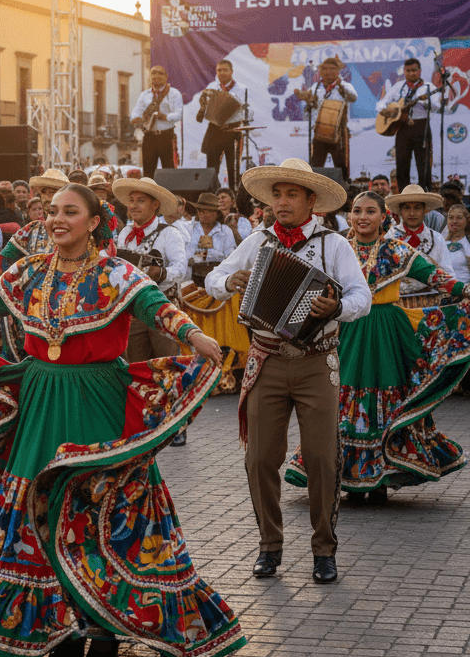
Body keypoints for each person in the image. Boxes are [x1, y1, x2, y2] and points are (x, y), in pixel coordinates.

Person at [0, 184, 242, 657]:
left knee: (105, 501)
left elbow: (157, 307)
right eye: (51, 212)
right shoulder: (29, 272)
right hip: (43, 400)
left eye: (69, 212)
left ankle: (107, 626)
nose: (56, 220)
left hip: (98, 402)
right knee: (36, 504)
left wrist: (195, 336)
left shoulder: (116, 273)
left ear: (93, 222)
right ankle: (58, 624)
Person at [204, 159, 372, 584]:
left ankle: (324, 549)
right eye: (276, 194)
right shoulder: (257, 240)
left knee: (321, 459)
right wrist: (230, 282)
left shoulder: (334, 244)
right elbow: (214, 277)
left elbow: (361, 297)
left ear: (311, 201)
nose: (281, 202)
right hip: (266, 359)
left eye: (291, 194)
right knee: (259, 458)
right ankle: (269, 546)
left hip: (318, 362)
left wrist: (337, 307)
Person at [284, 190, 470, 503]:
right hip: (346, 329)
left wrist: (464, 291)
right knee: (342, 397)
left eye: (371, 211)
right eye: (357, 211)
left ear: (384, 217)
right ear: (350, 216)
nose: (363, 217)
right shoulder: (337, 247)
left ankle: (381, 475)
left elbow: (436, 275)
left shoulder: (396, 250)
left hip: (388, 331)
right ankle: (347, 475)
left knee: (387, 397)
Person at [177, 193, 248, 414]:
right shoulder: (187, 228)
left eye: (210, 211)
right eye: (202, 211)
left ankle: (227, 370)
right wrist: (198, 256)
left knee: (228, 326)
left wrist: (211, 257)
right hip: (193, 284)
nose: (205, 214)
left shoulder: (225, 231)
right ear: (197, 212)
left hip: (217, 284)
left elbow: (230, 257)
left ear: (216, 213)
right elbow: (184, 255)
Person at [112, 176, 188, 362]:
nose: (134, 206)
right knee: (136, 367)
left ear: (155, 205)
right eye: (131, 201)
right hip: (134, 311)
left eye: (141, 201)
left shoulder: (169, 233)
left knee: (167, 366)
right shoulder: (124, 233)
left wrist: (160, 273)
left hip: (163, 309)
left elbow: (180, 269)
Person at [375, 58, 441, 190]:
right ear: (404, 72)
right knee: (402, 164)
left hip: (422, 127)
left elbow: (437, 106)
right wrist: (385, 110)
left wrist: (422, 102)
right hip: (403, 128)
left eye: (414, 70)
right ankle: (404, 195)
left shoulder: (428, 87)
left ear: (420, 71)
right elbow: (381, 102)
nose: (411, 73)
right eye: (408, 71)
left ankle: (425, 194)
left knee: (424, 165)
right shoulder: (399, 87)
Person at [0, 169, 69, 277]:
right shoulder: (31, 231)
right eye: (44, 191)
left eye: (53, 191)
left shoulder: (79, 230)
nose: (48, 196)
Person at [388, 184, 456, 307]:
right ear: (400, 211)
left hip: (429, 303)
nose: (412, 213)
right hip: (395, 305)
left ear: (425, 210)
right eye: (407, 208)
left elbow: (448, 274)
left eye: (417, 208)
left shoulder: (437, 238)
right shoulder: (389, 237)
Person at [294, 57, 357, 180]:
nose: (328, 72)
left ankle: (344, 190)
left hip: (339, 132)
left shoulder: (345, 85)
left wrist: (341, 87)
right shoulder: (316, 87)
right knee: (316, 165)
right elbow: (308, 97)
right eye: (325, 69)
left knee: (341, 165)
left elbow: (353, 97)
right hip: (320, 132)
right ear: (320, 72)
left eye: (332, 69)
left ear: (338, 71)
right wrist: (303, 96)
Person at [198, 59, 248, 188]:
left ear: (231, 71)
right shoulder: (211, 87)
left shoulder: (241, 88)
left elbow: (239, 107)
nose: (222, 73)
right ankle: (213, 196)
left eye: (225, 70)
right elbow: (206, 106)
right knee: (211, 167)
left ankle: (233, 198)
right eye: (219, 70)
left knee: (233, 167)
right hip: (214, 129)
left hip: (233, 129)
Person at [130, 66, 183, 178]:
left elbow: (179, 114)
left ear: (166, 77)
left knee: (169, 171)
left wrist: (165, 116)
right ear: (150, 76)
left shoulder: (174, 93)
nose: (156, 76)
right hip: (149, 136)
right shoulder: (144, 95)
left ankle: (171, 195)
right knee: (148, 172)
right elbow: (135, 112)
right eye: (154, 73)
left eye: (160, 73)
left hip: (166, 136)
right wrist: (137, 118)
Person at [445, 203, 470, 285]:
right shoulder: (440, 243)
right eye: (451, 218)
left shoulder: (468, 244)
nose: (454, 221)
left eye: (459, 218)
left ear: (467, 220)